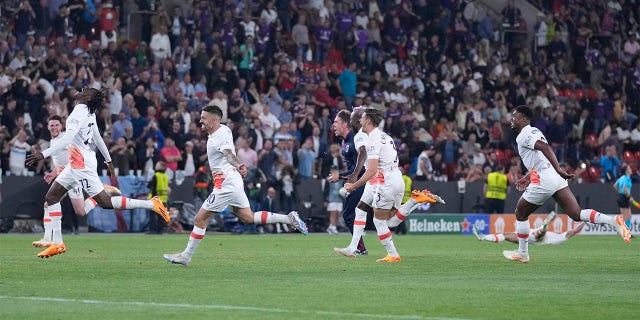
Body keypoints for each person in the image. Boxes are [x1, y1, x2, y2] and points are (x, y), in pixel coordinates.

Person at [26, 87, 170, 258]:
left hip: (81, 164)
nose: (82, 89)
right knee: (51, 198)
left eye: (85, 90)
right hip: (77, 161)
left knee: (106, 203)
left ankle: (151, 204)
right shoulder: (89, 112)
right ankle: (57, 243)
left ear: (86, 98)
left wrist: (43, 154)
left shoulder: (78, 113)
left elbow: (67, 138)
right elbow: (98, 138)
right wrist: (108, 161)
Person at [163, 105, 308, 267]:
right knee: (248, 217)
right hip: (233, 181)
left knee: (199, 219)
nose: (200, 120)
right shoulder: (222, 130)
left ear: (215, 120)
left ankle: (186, 256)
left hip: (226, 184)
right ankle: (288, 219)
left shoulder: (219, 136)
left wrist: (239, 164)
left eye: (204, 118)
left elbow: (229, 154)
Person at [503, 105, 631, 263]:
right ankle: (613, 221)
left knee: (520, 213)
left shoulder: (523, 135)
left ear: (524, 119)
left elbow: (544, 147)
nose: (512, 119)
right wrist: (529, 177)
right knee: (576, 214)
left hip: (546, 178)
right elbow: (540, 159)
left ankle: (522, 253)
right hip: (554, 177)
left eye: (515, 116)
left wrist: (559, 168)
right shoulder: (535, 131)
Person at [337, 108, 430, 262]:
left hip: (384, 181)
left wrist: (354, 184)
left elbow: (372, 168)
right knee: (360, 209)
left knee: (384, 222)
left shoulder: (371, 139)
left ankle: (393, 254)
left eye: (362, 117)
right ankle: (353, 248)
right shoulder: (383, 135)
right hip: (391, 177)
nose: (360, 120)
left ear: (367, 121)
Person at [32, 115, 121, 248]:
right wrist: (54, 173)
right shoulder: (53, 141)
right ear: (48, 126)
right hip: (65, 176)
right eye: (52, 125)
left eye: (57, 125)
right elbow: (62, 161)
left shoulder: (65, 139)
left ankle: (48, 238)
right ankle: (101, 192)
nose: (54, 127)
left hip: (73, 176)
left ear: (61, 126)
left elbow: (75, 156)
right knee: (80, 211)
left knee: (49, 203)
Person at [473, 211, 586, 245]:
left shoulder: (559, 238)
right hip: (528, 236)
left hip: (535, 238)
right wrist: (585, 221)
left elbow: (575, 230)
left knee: (539, 234)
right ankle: (483, 236)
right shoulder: (560, 238)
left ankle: (546, 224)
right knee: (505, 235)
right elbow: (575, 230)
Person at [147, 161, 170, 234]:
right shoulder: (166, 176)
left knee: (152, 215)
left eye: (157, 165)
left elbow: (150, 186)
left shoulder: (156, 175)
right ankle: (160, 229)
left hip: (155, 199)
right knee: (161, 216)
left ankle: (152, 229)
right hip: (163, 199)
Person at [613, 165, 633, 233]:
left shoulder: (621, 178)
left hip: (621, 197)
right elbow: (625, 188)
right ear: (626, 171)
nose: (631, 169)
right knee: (627, 216)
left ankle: (625, 231)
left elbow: (615, 186)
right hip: (624, 197)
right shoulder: (627, 178)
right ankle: (625, 232)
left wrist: (620, 192)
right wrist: (629, 196)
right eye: (629, 168)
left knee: (628, 216)